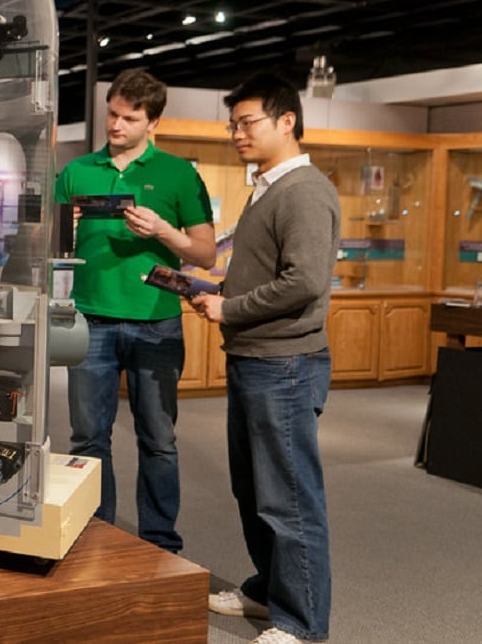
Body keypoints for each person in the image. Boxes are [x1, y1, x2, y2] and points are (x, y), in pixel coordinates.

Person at [192, 73, 340, 643]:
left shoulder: (303, 190)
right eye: (233, 124)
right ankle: (267, 590)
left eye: (247, 122)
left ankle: (301, 623)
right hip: (255, 359)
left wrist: (229, 308)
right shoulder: (266, 188)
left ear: (287, 121)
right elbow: (270, 272)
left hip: (285, 366)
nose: (237, 133)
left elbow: (304, 282)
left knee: (289, 499)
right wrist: (219, 291)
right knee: (254, 491)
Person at [54, 68, 216, 552]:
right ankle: (95, 532)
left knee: (159, 440)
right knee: (87, 437)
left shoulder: (179, 173)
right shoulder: (76, 171)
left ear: (153, 123)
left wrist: (163, 230)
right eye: (112, 113)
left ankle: (159, 543)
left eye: (129, 118)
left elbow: (206, 253)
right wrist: (65, 228)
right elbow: (50, 246)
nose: (116, 124)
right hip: (90, 320)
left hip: (157, 322)